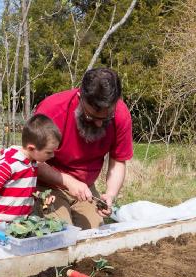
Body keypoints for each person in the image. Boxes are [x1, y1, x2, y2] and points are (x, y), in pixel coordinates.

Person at [33, 68, 133, 229]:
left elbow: (118, 161)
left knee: (95, 235)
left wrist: (110, 194)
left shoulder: (121, 115)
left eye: (106, 117)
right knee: (60, 231)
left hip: (85, 190)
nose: (99, 123)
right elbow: (31, 161)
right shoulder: (52, 110)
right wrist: (67, 181)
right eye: (91, 117)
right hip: (47, 185)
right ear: (80, 97)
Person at [0, 114, 60, 245]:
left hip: (16, 225)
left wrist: (42, 196)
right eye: (48, 152)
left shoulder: (31, 163)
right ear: (31, 148)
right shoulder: (9, 165)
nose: (52, 156)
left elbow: (25, 191)